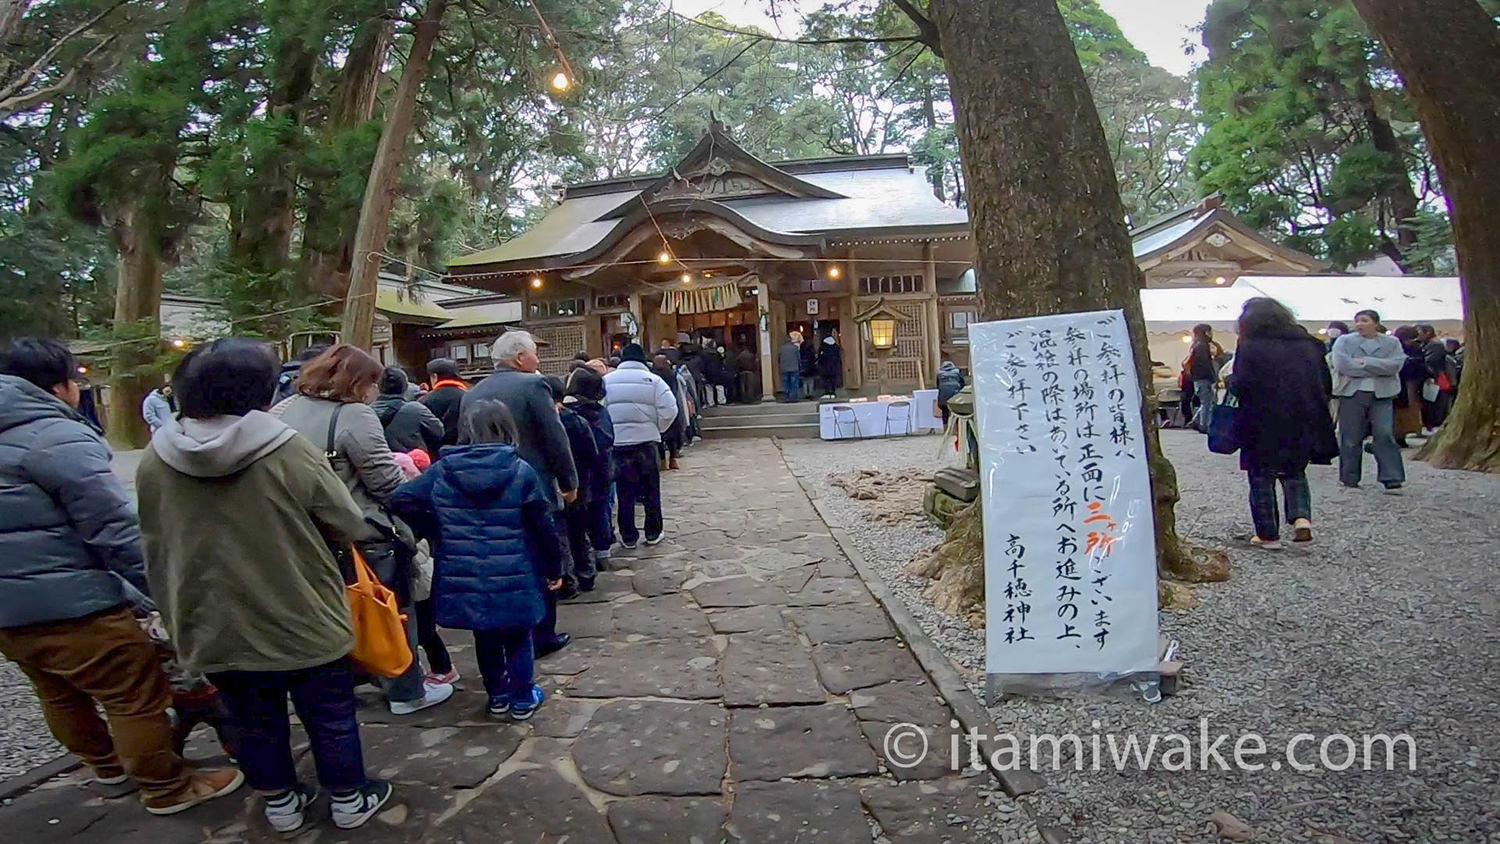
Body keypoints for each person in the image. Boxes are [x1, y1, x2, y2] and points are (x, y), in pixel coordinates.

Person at [136, 338, 390, 831]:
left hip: (212, 616)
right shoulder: (284, 447)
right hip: (299, 605)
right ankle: (348, 798)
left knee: (253, 718)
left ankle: (280, 803)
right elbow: (346, 518)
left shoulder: (155, 457)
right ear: (259, 390)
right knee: (330, 712)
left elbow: (150, 538)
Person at [0, 339, 243, 817]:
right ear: (60, 386)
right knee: (132, 694)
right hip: (76, 603)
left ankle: (108, 768)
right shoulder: (54, 436)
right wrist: (164, 593)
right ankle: (166, 787)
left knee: (58, 691)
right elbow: (114, 530)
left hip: (9, 613)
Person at [276, 344, 454, 714]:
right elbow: (386, 482)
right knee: (390, 607)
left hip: (300, 531)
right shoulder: (354, 415)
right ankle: (405, 689)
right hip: (360, 528)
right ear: (356, 382)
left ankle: (350, 680)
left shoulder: (283, 411)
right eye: (371, 382)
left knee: (332, 612)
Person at [390, 400, 563, 722]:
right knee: (519, 636)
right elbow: (543, 525)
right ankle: (523, 697)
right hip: (515, 568)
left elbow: (401, 499)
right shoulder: (520, 470)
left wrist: (435, 528)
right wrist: (554, 566)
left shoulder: (443, 470)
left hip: (464, 570)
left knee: (484, 636)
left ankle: (497, 695)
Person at [461, 330, 577, 657]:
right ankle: (543, 633)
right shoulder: (533, 385)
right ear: (520, 358)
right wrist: (569, 481)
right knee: (543, 554)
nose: (537, 359)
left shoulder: (473, 391)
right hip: (532, 484)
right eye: (534, 353)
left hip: (485, 490)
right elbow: (554, 438)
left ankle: (508, 632)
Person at [1225, 300, 1338, 549]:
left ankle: (1268, 535)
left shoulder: (1251, 346)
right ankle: (1301, 519)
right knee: (1295, 471)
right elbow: (1325, 383)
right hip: (1303, 416)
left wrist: (1229, 381)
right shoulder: (1310, 345)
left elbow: (1243, 384)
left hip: (1261, 418)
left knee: (1261, 476)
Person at [604, 344, 678, 548]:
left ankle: (628, 536)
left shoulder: (606, 381)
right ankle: (653, 532)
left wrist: (611, 432)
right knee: (651, 490)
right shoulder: (654, 381)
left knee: (624, 492)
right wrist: (657, 429)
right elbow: (670, 409)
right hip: (646, 444)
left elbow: (601, 411)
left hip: (618, 444)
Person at [1331, 309, 1407, 492]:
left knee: (1384, 433)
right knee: (1350, 436)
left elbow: (1396, 365)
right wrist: (1379, 367)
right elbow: (1343, 365)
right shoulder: (1344, 341)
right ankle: (1349, 476)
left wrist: (1365, 362)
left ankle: (1391, 476)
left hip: (1382, 393)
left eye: (1364, 320)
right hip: (1352, 392)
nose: (1359, 324)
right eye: (1357, 321)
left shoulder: (1392, 342)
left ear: (1375, 323)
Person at [565, 366, 616, 578]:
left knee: (575, 517)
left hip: (573, 471)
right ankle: (601, 552)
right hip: (600, 468)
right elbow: (608, 439)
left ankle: (582, 561)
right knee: (600, 509)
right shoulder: (599, 413)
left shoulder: (565, 414)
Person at [371, 366, 444, 455]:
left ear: (378, 387)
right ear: (405, 387)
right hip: (412, 464)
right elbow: (439, 432)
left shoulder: (366, 412)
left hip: (379, 463)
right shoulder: (416, 409)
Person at [420, 358, 469, 448]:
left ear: (435, 376)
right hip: (465, 451)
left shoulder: (425, 400)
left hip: (436, 453)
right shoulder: (469, 397)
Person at [1184, 324, 1223, 433]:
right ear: (1206, 332)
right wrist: (1214, 378)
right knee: (1207, 402)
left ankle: (1196, 421)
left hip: (1198, 378)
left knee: (1205, 401)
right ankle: (1204, 425)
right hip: (1204, 378)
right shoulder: (1202, 346)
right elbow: (1205, 364)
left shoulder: (1196, 345)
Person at [653, 353, 688, 468]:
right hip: (671, 405)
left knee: (660, 437)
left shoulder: (653, 376)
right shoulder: (671, 374)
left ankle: (663, 461)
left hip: (656, 407)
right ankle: (673, 459)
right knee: (672, 437)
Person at [936, 356, 966, 426]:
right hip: (955, 396)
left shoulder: (939, 374)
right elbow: (962, 384)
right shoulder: (957, 372)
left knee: (945, 412)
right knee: (957, 412)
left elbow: (938, 386)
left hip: (943, 397)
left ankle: (946, 429)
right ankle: (957, 430)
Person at [778, 331, 803, 402]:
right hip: (794, 368)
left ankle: (787, 397)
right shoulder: (795, 348)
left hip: (784, 369)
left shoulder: (781, 349)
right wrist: (799, 366)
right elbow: (798, 358)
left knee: (786, 384)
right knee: (794, 383)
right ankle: (794, 398)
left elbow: (779, 359)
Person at [816, 334, 843, 400]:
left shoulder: (823, 348)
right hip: (834, 367)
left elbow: (820, 358)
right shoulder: (835, 348)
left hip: (825, 367)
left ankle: (827, 391)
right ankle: (833, 391)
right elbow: (838, 358)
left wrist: (819, 364)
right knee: (833, 380)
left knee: (826, 380)